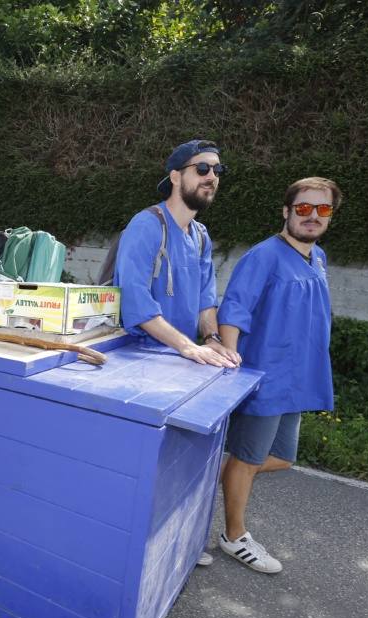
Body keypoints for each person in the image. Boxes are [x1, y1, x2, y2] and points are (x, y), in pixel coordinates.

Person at [114, 139, 241, 567]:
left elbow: (207, 302)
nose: (211, 178)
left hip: (182, 361)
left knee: (184, 460)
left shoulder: (201, 236)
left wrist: (211, 339)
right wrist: (188, 346)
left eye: (218, 171)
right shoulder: (147, 225)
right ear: (175, 176)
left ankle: (180, 544)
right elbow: (135, 301)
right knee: (146, 468)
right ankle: (139, 555)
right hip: (141, 358)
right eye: (202, 169)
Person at [216, 177, 340, 574]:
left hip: (298, 378)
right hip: (265, 378)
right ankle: (234, 536)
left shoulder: (317, 257)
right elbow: (234, 309)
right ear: (287, 212)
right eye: (304, 208)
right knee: (249, 457)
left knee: (282, 458)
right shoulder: (264, 256)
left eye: (323, 209)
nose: (313, 216)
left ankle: (204, 478)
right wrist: (231, 362)